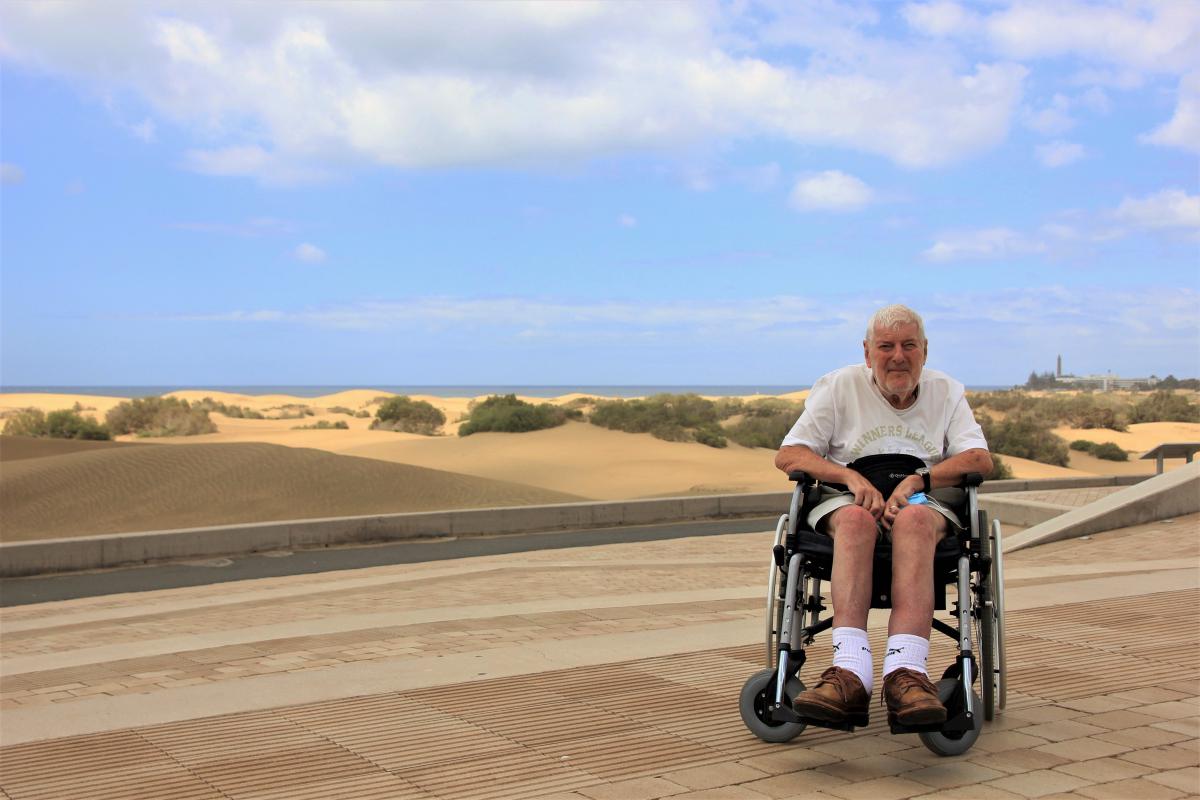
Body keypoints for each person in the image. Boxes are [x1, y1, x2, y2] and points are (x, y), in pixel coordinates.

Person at [774, 304, 992, 727]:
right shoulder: (839, 387)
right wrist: (848, 477)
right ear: (867, 351)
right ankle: (850, 673)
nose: (898, 356)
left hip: (922, 501)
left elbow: (979, 458)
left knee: (913, 520)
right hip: (851, 499)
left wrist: (919, 482)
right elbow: (789, 454)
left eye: (909, 345)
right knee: (855, 521)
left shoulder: (946, 391)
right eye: (886, 346)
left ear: (924, 351)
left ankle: (906, 673)